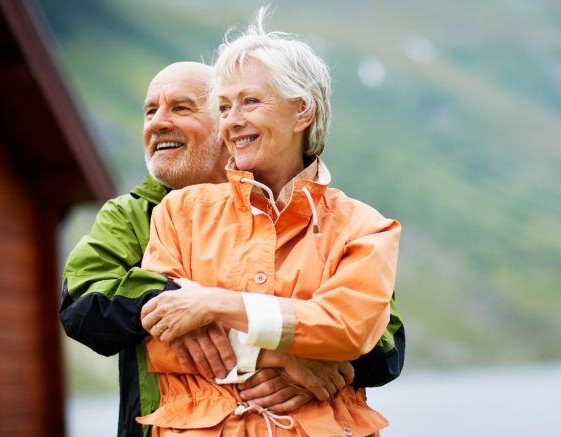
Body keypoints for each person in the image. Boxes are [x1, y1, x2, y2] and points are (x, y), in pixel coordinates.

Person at [59, 60, 405, 436]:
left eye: (182, 107)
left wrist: (329, 364)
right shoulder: (133, 215)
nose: (158, 122)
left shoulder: (332, 219)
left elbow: (383, 343)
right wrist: (277, 353)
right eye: (150, 111)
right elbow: (82, 305)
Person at [136, 8, 401, 436]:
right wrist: (287, 358)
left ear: (302, 111)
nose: (232, 121)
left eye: (250, 101)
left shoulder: (366, 228)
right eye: (223, 107)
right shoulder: (178, 213)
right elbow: (162, 338)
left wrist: (215, 304)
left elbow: (348, 328)